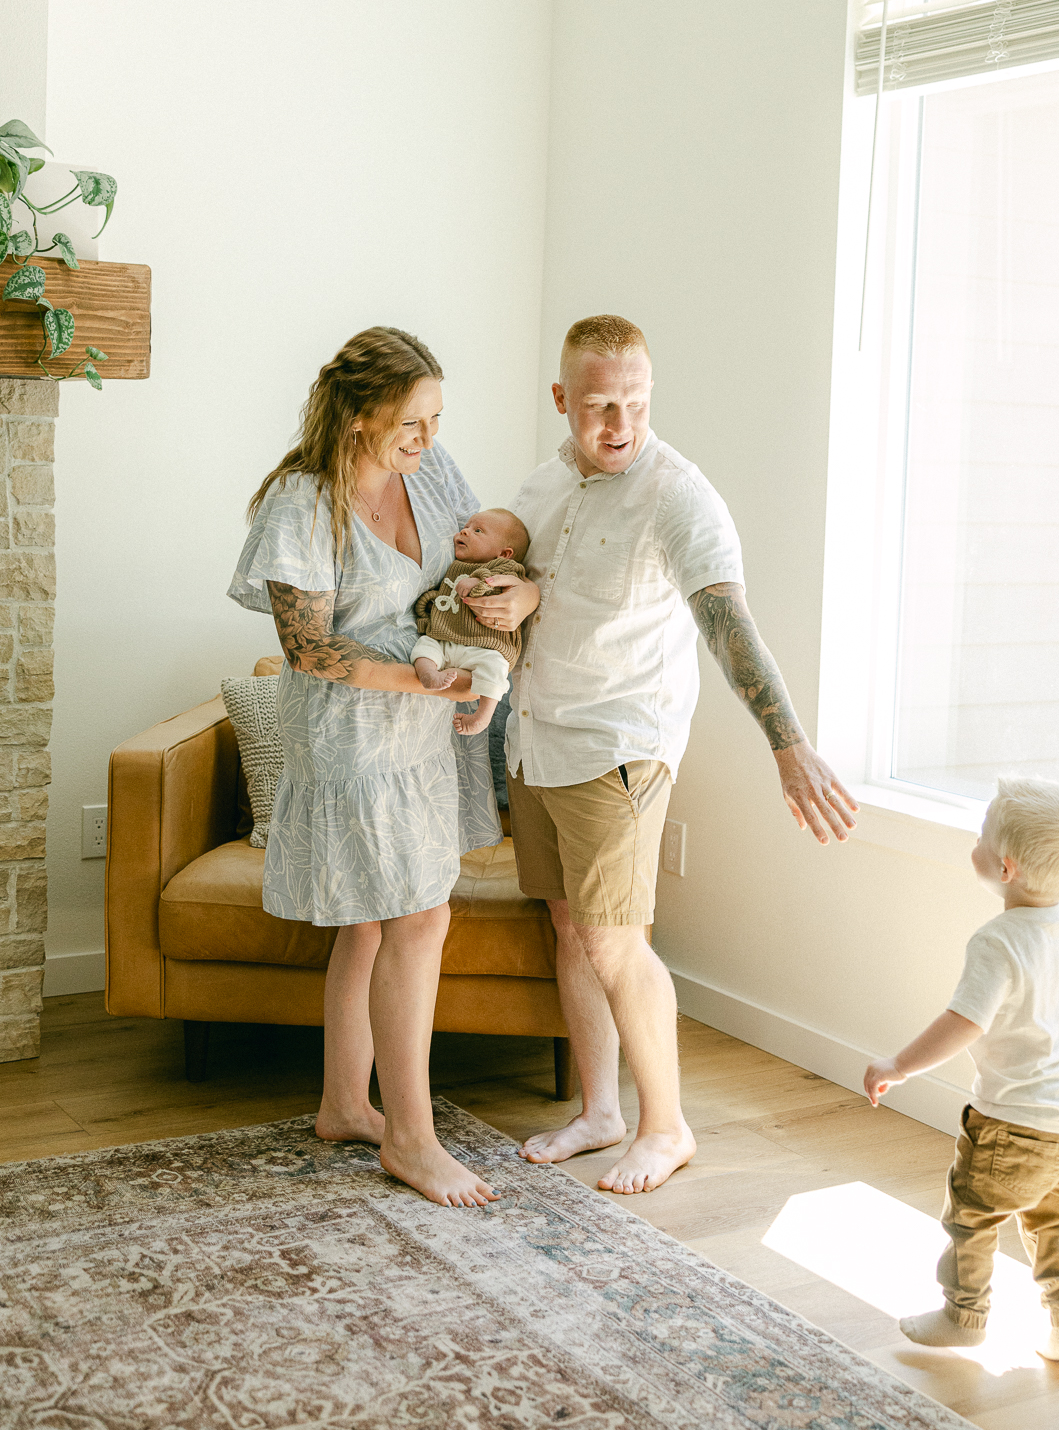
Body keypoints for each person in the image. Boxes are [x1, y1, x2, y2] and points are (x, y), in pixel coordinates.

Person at [463, 314, 859, 1195]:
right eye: (599, 405)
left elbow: (726, 622)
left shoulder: (678, 495)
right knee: (569, 927)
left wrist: (788, 748)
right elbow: (528, 584)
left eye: (634, 404)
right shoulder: (541, 486)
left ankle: (665, 1126)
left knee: (613, 944)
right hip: (538, 739)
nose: (618, 426)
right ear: (561, 399)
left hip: (619, 748)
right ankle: (599, 1111)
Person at [228, 326, 539, 1208]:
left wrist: (504, 624)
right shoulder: (302, 501)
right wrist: (427, 680)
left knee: (368, 923)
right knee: (416, 918)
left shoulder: (430, 474)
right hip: (352, 737)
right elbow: (308, 649)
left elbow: (488, 562)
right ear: (360, 415)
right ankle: (410, 1136)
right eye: (411, 422)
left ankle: (341, 1105)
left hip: (424, 728)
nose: (428, 441)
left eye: (436, 419)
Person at [863, 777, 1059, 1360]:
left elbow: (964, 1022)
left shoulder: (998, 941)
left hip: (1012, 1122)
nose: (972, 843)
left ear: (1005, 868)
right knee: (1056, 1223)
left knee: (972, 1218)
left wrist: (898, 1065)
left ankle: (963, 1315)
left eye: (980, 835)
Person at [411, 508, 530, 736]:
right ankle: (429, 675)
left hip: (484, 646)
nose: (464, 532)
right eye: (465, 527)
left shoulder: (508, 568)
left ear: (504, 553)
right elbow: (442, 595)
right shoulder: (455, 565)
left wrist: (478, 579)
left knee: (496, 668)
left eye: (477, 530)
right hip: (445, 637)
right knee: (425, 647)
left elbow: (504, 577)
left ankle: (482, 716)